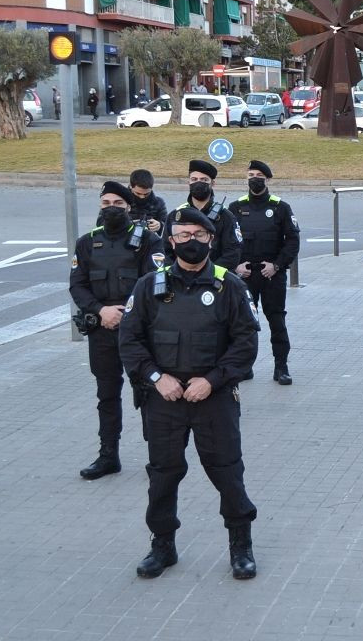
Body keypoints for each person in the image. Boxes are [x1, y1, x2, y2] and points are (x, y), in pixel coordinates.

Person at [119, 207, 260, 580]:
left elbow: (245, 345)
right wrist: (154, 377)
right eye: (182, 235)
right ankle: (162, 545)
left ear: (211, 240)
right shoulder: (148, 286)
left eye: (198, 235)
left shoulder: (230, 286)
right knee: (163, 474)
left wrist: (212, 380)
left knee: (227, 472)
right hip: (163, 399)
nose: (190, 242)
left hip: (212, 398)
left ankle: (240, 545)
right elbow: (130, 341)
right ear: (170, 241)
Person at [68, 181, 164, 480]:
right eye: (106, 203)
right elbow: (77, 285)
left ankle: (158, 457)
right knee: (107, 394)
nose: (111, 209)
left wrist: (127, 315)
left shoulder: (148, 240)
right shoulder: (87, 242)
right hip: (102, 329)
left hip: (138, 331)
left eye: (118, 204)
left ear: (128, 207)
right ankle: (108, 455)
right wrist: (101, 311)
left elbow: (155, 283)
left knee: (149, 392)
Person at [229, 160, 301, 385]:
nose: (254, 178)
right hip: (245, 276)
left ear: (268, 179)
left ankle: (281, 367)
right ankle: (245, 366)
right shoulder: (235, 207)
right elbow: (227, 242)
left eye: (259, 174)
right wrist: (236, 266)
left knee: (276, 321)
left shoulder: (280, 207)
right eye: (251, 174)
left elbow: (292, 241)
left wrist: (277, 265)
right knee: (244, 323)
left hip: (272, 275)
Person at [168, 160, 242, 270]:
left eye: (204, 180)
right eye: (194, 179)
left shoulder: (226, 216)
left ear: (213, 183)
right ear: (188, 182)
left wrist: (207, 273)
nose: (198, 182)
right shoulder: (175, 215)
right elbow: (165, 251)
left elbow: (233, 253)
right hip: (180, 280)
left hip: (214, 279)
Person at [128, 169, 168, 234]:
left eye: (146, 194)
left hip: (149, 241)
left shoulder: (158, 203)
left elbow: (168, 226)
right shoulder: (121, 201)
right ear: (130, 186)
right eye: (138, 193)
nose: (142, 197)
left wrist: (160, 225)